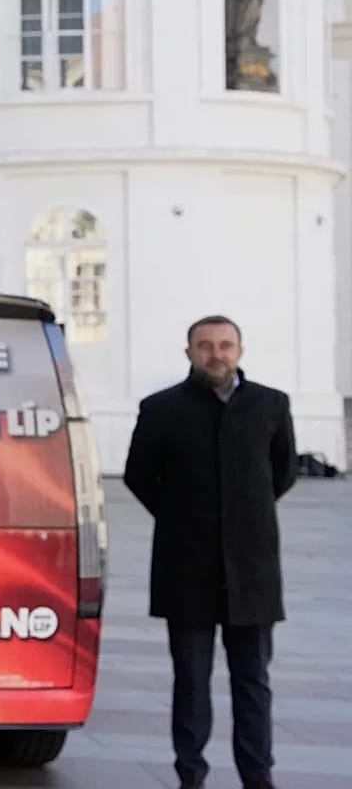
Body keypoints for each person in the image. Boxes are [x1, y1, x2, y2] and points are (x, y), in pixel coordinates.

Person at [123, 315, 296, 789]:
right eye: (205, 346)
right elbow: (139, 475)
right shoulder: (161, 409)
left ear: (240, 350)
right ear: (189, 353)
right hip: (187, 568)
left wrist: (242, 517)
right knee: (192, 682)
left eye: (225, 345)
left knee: (253, 683)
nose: (215, 354)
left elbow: (281, 474)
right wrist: (183, 517)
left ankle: (258, 777)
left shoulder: (271, 405)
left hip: (253, 571)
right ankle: (190, 775)